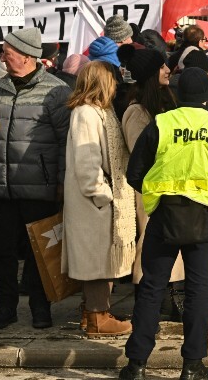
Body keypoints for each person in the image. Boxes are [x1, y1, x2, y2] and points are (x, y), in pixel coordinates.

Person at [120, 68, 208, 380]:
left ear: (177, 95)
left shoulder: (161, 124)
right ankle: (192, 365)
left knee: (151, 289)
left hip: (165, 217)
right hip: (204, 220)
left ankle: (136, 364)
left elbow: (134, 174)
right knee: (198, 293)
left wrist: (158, 194)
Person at [0, 27, 72, 330]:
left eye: (8, 52)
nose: (2, 56)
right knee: (3, 251)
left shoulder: (56, 91)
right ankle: (5, 307)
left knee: (38, 253)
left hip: (38, 187)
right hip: (1, 186)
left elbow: (65, 142)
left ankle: (40, 307)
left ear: (28, 56)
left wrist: (59, 182)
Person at [62, 61, 135, 337]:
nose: (117, 85)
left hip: (99, 202)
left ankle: (92, 314)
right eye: (113, 80)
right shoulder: (86, 114)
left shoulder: (98, 111)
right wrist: (105, 196)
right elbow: (87, 163)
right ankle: (97, 319)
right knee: (97, 263)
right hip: (93, 203)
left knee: (101, 261)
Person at [118, 46, 185, 320]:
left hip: (169, 184)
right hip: (149, 188)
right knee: (150, 244)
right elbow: (140, 152)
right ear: (149, 74)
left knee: (171, 242)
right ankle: (148, 301)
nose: (168, 70)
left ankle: (168, 297)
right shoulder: (136, 111)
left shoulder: (164, 100)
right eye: (161, 67)